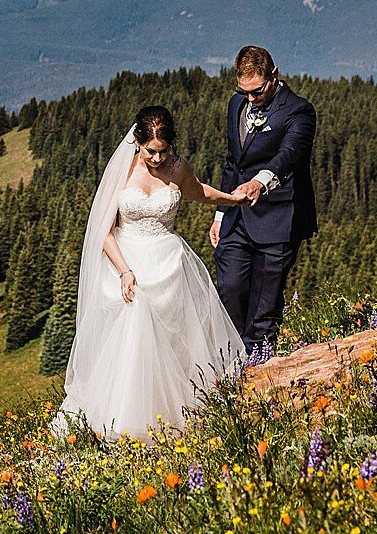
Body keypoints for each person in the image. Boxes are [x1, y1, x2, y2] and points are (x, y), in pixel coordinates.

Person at [57, 104, 251, 440]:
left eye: (163, 151)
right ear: (137, 141)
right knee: (130, 340)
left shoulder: (177, 168)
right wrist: (124, 271)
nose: (158, 159)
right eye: (151, 151)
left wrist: (231, 200)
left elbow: (199, 191)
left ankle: (172, 414)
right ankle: (118, 423)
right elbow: (103, 229)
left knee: (173, 342)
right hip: (128, 261)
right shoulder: (122, 171)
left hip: (169, 261)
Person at [209, 44, 316, 366]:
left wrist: (261, 182)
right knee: (229, 290)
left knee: (264, 307)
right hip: (236, 219)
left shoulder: (299, 110)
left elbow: (290, 155)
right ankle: (229, 363)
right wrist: (220, 213)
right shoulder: (236, 104)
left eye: (257, 91)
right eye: (244, 91)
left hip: (279, 220)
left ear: (274, 76)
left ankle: (257, 370)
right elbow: (233, 163)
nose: (250, 98)